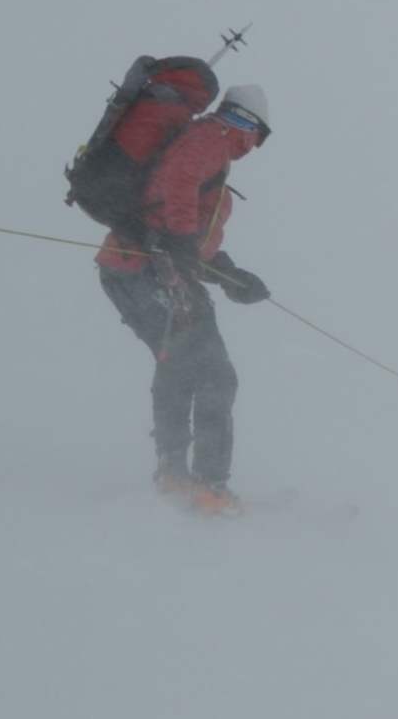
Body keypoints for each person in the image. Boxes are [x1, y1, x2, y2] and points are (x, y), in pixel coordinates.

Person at [97, 84, 273, 515]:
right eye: (260, 136)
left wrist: (229, 275)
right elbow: (178, 186)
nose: (254, 146)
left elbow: (189, 235)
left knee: (179, 365)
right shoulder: (210, 138)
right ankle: (208, 486)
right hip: (145, 271)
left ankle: (175, 475)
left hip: (135, 269)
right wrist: (177, 242)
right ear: (250, 125)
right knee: (213, 374)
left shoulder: (206, 147)